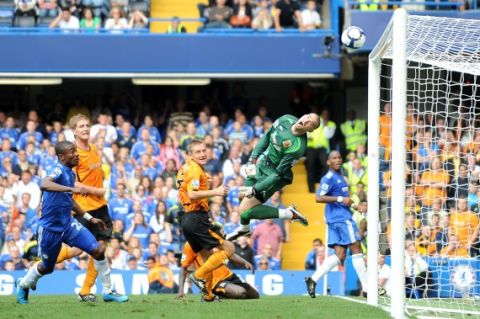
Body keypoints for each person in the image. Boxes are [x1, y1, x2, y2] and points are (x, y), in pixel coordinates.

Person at [15, 141, 128, 304]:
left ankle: (108, 291)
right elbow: (44, 184)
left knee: (98, 250)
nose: (76, 154)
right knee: (47, 267)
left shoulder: (70, 173)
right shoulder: (56, 169)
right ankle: (24, 284)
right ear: (61, 156)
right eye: (72, 152)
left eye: (76, 151)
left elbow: (70, 201)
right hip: (50, 229)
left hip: (68, 224)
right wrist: (71, 189)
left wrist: (90, 218)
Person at [54, 114, 119, 302]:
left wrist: (99, 193)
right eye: (81, 126)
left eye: (87, 125)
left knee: (100, 248)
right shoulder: (73, 155)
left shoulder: (95, 150)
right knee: (76, 251)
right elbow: (72, 184)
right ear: (74, 131)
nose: (85, 128)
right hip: (83, 208)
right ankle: (39, 267)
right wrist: (96, 190)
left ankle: (85, 290)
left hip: (101, 206)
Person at [227, 113, 320, 240]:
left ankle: (289, 214)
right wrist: (252, 159)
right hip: (263, 162)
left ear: (310, 130)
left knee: (244, 210)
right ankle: (244, 229)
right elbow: (266, 136)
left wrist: (255, 189)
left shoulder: (298, 147)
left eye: (311, 123)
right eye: (308, 116)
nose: (307, 120)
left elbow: (277, 174)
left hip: (274, 176)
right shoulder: (285, 119)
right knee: (241, 196)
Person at [176, 139, 234, 301]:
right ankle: (198, 275)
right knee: (229, 249)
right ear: (190, 155)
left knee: (208, 258)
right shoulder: (194, 170)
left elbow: (182, 190)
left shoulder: (186, 168)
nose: (202, 154)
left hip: (188, 218)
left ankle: (208, 296)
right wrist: (215, 191)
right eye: (197, 152)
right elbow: (192, 194)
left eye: (204, 150)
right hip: (196, 217)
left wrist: (205, 185)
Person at [304, 151, 367, 298]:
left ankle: (313, 279)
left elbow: (345, 200)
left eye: (339, 157)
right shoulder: (329, 178)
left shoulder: (341, 178)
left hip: (337, 217)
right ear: (328, 162)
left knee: (340, 255)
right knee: (357, 248)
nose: (338, 160)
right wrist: (339, 199)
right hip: (341, 219)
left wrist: (355, 206)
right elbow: (318, 197)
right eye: (334, 158)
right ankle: (367, 288)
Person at [176, 240, 258, 300]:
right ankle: (213, 293)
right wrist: (180, 291)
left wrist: (245, 262)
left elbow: (229, 254)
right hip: (215, 281)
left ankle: (221, 294)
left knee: (254, 295)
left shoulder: (213, 238)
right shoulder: (190, 245)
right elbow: (183, 268)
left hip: (228, 275)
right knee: (241, 293)